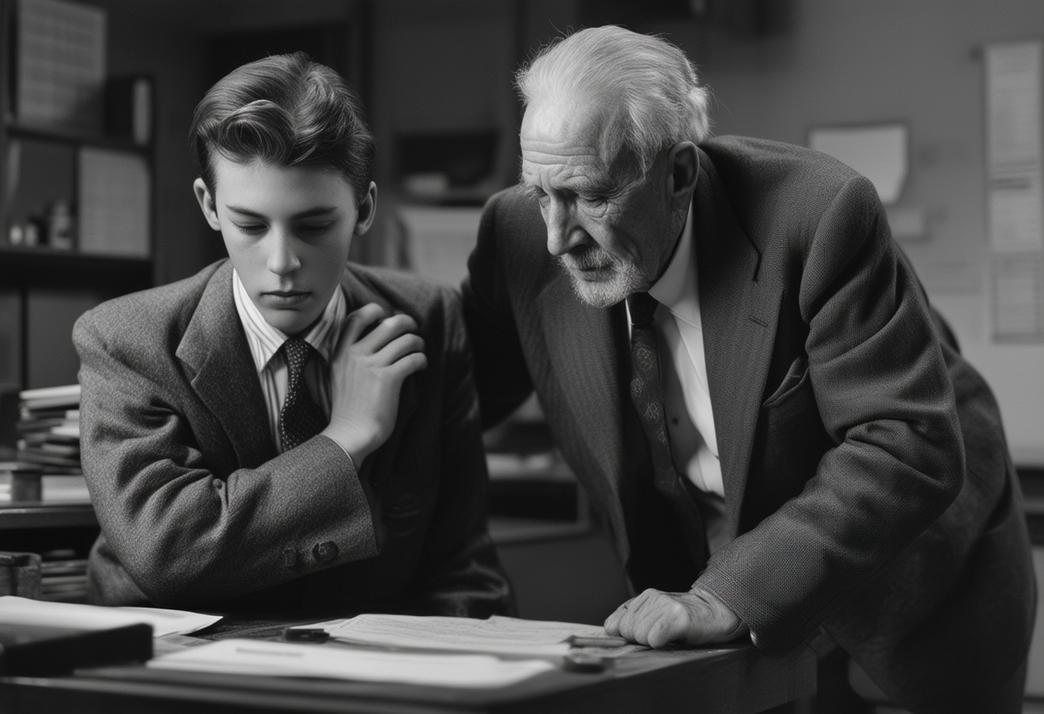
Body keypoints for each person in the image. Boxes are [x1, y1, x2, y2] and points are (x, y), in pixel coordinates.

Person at [462, 25, 1035, 713]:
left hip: (912, 584)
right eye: (540, 193)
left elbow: (905, 443)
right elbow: (452, 392)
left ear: (677, 174)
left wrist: (726, 594)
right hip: (721, 606)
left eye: (588, 195)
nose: (558, 236)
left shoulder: (818, 214)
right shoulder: (519, 235)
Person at [73, 52, 512, 619]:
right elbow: (169, 554)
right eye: (250, 225)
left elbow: (464, 567)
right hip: (181, 678)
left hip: (375, 680)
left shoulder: (430, 317)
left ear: (364, 208)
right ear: (209, 207)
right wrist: (347, 435)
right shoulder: (124, 340)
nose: (282, 262)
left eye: (313, 226)